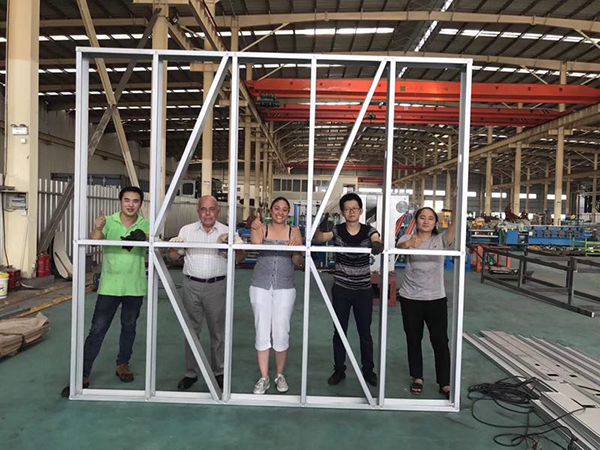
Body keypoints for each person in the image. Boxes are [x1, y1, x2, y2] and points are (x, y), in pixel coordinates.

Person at [62, 186, 149, 397]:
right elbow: (94, 241)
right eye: (127, 200)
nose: (130, 204)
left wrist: (146, 237)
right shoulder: (108, 221)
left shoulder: (145, 224)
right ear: (120, 201)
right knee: (97, 330)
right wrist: (98, 227)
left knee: (129, 328)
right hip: (110, 286)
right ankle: (82, 375)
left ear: (140, 204)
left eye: (135, 201)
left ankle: (123, 365)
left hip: (134, 286)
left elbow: (153, 244)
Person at [169, 195, 244, 391]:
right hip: (191, 285)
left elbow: (240, 258)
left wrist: (234, 245)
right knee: (191, 330)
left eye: (212, 209)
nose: (208, 213)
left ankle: (218, 372)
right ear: (198, 211)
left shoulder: (227, 231)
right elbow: (173, 257)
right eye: (203, 209)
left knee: (217, 332)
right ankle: (190, 373)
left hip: (217, 287)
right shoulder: (186, 231)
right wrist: (175, 247)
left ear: (218, 211)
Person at [314, 192, 384, 387]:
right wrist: (321, 225)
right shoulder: (337, 231)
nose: (351, 212)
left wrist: (377, 244)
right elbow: (319, 239)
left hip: (363, 290)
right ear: (343, 212)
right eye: (347, 209)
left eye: (355, 208)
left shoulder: (369, 230)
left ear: (361, 211)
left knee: (365, 333)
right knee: (339, 331)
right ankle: (339, 370)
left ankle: (368, 370)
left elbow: (376, 238)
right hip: (342, 289)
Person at [396, 204, 456, 399]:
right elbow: (399, 246)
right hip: (410, 298)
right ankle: (418, 377)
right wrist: (409, 244)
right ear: (416, 220)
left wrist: (456, 201)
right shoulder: (407, 238)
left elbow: (455, 226)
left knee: (440, 341)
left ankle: (444, 382)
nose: (426, 221)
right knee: (413, 339)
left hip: (435, 298)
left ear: (436, 222)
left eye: (431, 218)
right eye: (422, 217)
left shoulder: (441, 240)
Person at [249, 197, 303, 394]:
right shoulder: (261, 228)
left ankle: (279, 375)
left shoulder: (294, 231)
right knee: (261, 330)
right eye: (277, 208)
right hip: (260, 286)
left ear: (288, 213)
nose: (280, 212)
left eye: (284, 209)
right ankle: (264, 377)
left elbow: (298, 262)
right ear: (271, 210)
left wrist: (296, 250)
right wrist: (254, 228)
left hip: (284, 287)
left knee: (281, 331)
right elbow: (256, 245)